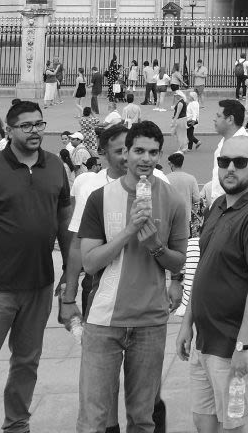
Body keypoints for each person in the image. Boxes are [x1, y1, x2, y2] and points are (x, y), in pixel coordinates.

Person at [0, 99, 74, 433]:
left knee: (27, 362)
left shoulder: (55, 167)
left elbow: (64, 226)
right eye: (27, 126)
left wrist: (69, 277)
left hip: (39, 285)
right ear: (9, 130)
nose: (35, 131)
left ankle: (17, 424)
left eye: (39, 124)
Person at [75, 119, 188, 433]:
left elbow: (179, 262)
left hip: (149, 321)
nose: (146, 159)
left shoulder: (173, 200)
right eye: (139, 150)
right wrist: (128, 232)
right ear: (126, 152)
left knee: (142, 418)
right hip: (104, 320)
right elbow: (90, 261)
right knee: (93, 417)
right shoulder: (100, 197)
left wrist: (155, 246)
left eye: (153, 152)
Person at [181, 131, 248, 433]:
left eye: (240, 162)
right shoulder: (219, 205)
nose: (230, 168)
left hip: (234, 344)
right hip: (204, 338)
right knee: (204, 420)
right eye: (224, 161)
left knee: (234, 425)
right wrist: (188, 322)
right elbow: (204, 265)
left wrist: (243, 345)